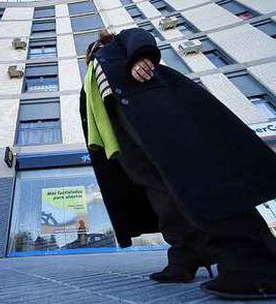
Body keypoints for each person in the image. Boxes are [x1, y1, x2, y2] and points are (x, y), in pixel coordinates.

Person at [78, 28, 276, 299]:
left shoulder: (115, 49)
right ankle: (186, 256)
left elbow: (138, 35)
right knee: (163, 199)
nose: (89, 55)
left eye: (91, 50)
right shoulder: (90, 79)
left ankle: (256, 267)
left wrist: (141, 57)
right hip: (126, 138)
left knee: (203, 184)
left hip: (159, 115)